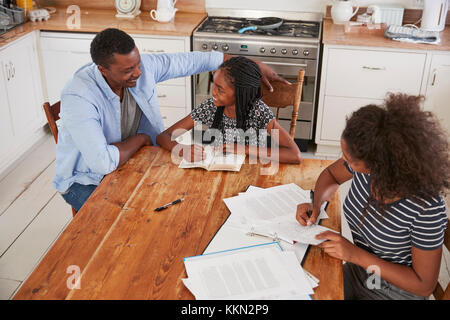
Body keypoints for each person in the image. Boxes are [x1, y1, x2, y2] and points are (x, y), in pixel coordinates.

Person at [54, 28, 288, 212]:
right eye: (128, 70)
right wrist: (142, 138)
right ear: (103, 70)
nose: (138, 73)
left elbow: (197, 60)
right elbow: (103, 163)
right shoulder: (79, 96)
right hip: (86, 180)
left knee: (175, 202)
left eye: (137, 64)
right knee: (130, 218)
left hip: (135, 160)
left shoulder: (142, 68)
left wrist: (255, 63)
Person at [296, 93, 449, 300]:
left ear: (382, 165)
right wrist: (316, 205)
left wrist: (354, 254)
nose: (345, 162)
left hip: (394, 293)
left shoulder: (426, 207)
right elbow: (331, 174)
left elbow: (423, 286)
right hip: (360, 273)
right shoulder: (363, 169)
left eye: (351, 160)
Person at [156, 56, 302, 164]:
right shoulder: (211, 106)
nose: (213, 92)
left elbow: (295, 155)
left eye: (220, 89)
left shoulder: (258, 111)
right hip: (217, 170)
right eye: (214, 85)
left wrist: (243, 148)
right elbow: (163, 136)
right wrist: (182, 149)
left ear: (240, 93)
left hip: (250, 172)